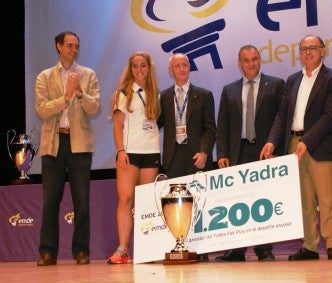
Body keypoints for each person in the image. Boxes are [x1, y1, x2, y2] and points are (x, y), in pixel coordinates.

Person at [260, 35, 332, 261]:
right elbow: (283, 115)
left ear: (323, 51)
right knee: (304, 200)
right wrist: (272, 140)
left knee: (327, 198)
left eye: (313, 48)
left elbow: (329, 116)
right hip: (293, 145)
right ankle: (309, 246)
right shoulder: (293, 80)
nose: (308, 52)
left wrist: (307, 140)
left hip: (320, 145)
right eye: (304, 49)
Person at [35, 31, 101, 266]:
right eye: (70, 45)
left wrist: (80, 92)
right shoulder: (45, 76)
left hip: (79, 144)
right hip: (54, 144)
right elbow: (41, 109)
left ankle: (81, 250)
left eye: (77, 46)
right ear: (59, 46)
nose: (74, 49)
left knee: (81, 201)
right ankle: (48, 252)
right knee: (50, 201)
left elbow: (94, 108)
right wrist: (65, 98)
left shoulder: (88, 74)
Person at [215, 45, 285, 262]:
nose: (251, 63)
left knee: (264, 200)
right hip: (238, 151)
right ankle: (236, 249)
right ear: (239, 63)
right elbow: (223, 124)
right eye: (246, 60)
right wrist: (222, 152)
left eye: (255, 59)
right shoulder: (229, 90)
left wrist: (272, 142)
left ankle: (264, 248)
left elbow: (281, 118)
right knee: (237, 201)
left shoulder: (275, 84)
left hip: (265, 150)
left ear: (260, 60)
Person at [158, 53, 216, 262]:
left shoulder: (204, 95)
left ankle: (201, 249)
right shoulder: (163, 97)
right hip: (173, 157)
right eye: (177, 66)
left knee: (199, 203)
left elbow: (210, 128)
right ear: (170, 70)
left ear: (189, 67)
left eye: (184, 65)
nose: (181, 69)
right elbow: (155, 126)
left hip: (196, 156)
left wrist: (204, 152)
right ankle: (180, 246)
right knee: (177, 204)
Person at [107, 51, 161, 264]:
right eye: (135, 66)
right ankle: (122, 249)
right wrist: (120, 151)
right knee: (125, 199)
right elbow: (118, 126)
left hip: (151, 152)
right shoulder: (123, 93)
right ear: (130, 69)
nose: (139, 70)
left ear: (149, 68)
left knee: (146, 203)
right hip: (129, 153)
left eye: (143, 66)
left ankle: (146, 249)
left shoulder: (157, 93)